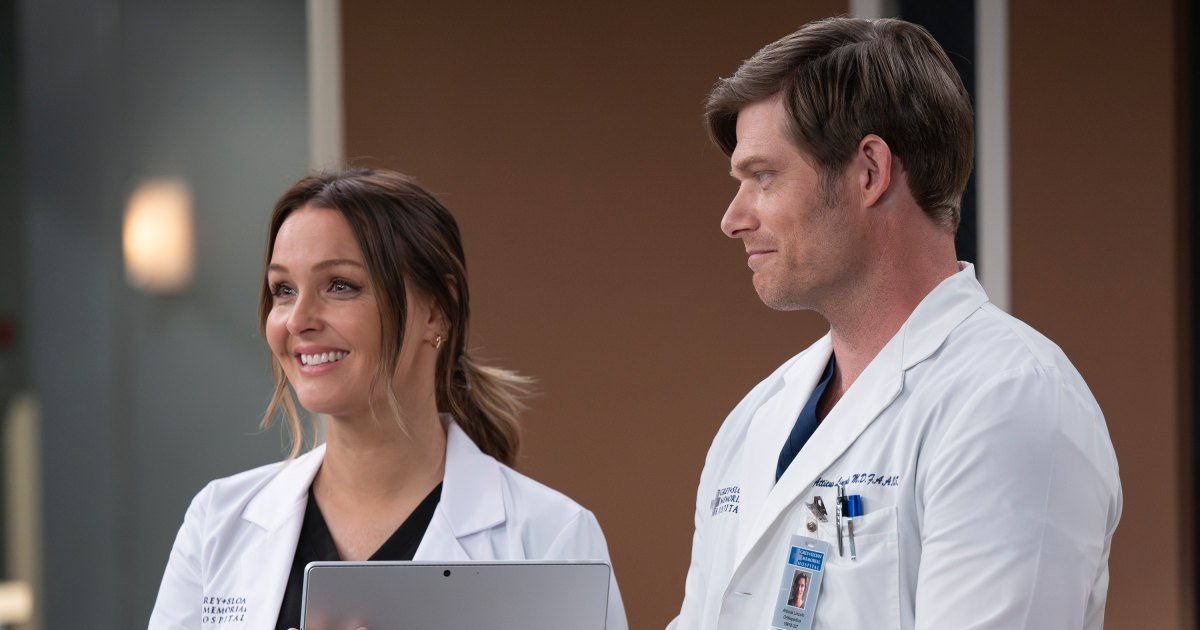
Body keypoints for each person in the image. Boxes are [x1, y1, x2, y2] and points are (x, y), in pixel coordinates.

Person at [669, 17, 1120, 630]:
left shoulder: (1010, 399)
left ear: (869, 172)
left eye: (764, 177)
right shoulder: (755, 419)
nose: (733, 219)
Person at [149, 169, 627, 629]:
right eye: (284, 289)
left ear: (437, 310)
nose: (297, 319)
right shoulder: (218, 522)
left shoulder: (551, 537)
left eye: (340, 285)